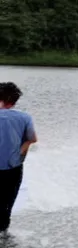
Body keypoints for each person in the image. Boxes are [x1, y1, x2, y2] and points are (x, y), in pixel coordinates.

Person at [0, 82, 36, 232]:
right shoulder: (24, 117)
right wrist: (20, 152)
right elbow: (32, 139)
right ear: (14, 101)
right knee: (6, 207)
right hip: (13, 168)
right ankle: (4, 243)